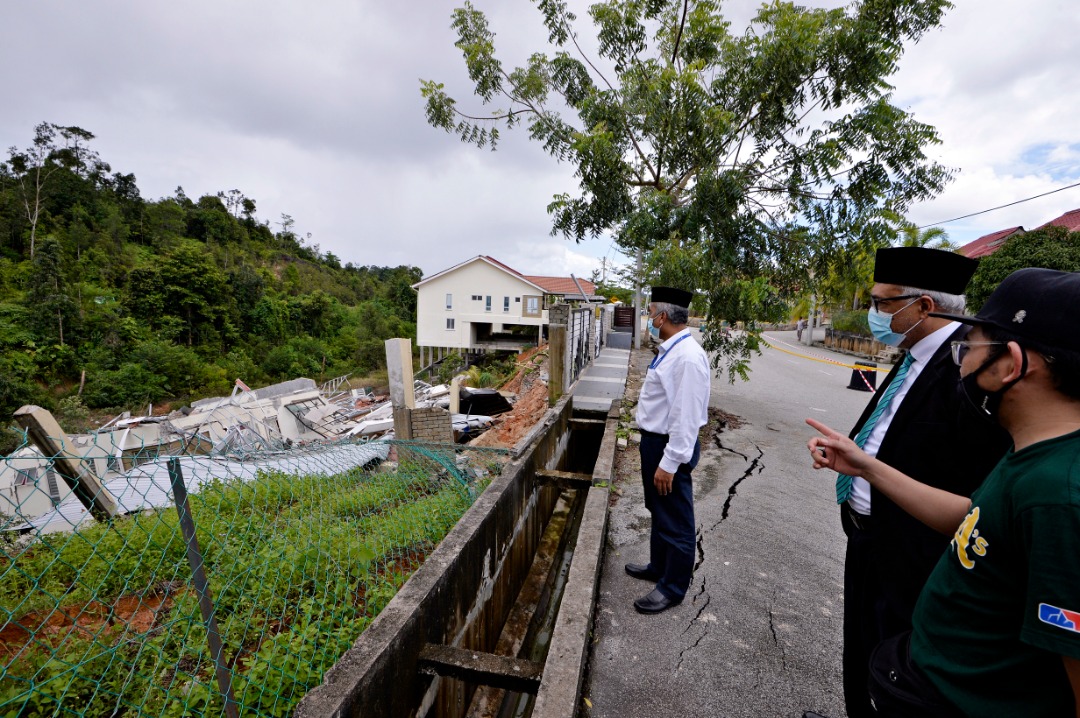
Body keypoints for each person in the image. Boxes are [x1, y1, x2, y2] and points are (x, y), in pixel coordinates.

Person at [807, 267, 1080, 716]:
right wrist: (865, 466)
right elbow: (974, 513)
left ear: (1010, 363)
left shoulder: (1058, 491)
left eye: (968, 348)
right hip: (921, 666)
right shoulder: (1030, 455)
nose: (961, 361)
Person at [820, 248, 1010, 718]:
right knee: (861, 646)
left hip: (916, 554)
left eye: (883, 304)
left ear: (923, 306)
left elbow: (979, 481)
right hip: (868, 537)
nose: (874, 314)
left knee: (901, 671)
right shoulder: (911, 355)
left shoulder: (971, 367)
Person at [625, 285, 711, 614]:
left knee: (676, 518)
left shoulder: (687, 358)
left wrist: (670, 462)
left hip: (667, 446)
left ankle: (672, 588)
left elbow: (686, 416)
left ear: (662, 317)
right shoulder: (671, 351)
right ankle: (658, 568)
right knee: (659, 510)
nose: (648, 319)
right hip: (655, 443)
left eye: (650, 314)